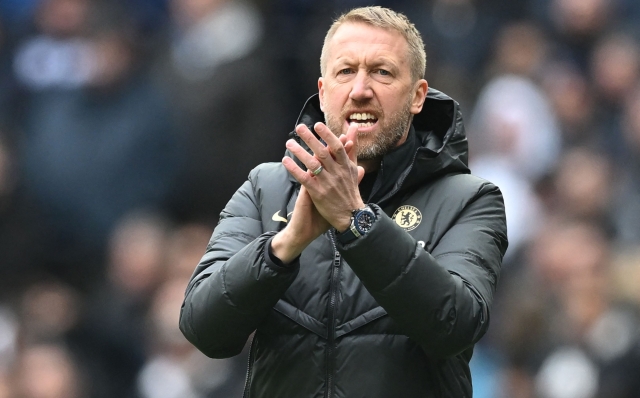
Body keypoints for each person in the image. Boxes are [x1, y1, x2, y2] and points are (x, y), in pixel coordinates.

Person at [179, 6, 508, 397]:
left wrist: (358, 222)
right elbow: (203, 330)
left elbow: (455, 327)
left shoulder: (469, 199)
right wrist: (284, 247)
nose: (360, 90)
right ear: (323, 91)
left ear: (418, 95)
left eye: (382, 72)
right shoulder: (264, 188)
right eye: (345, 71)